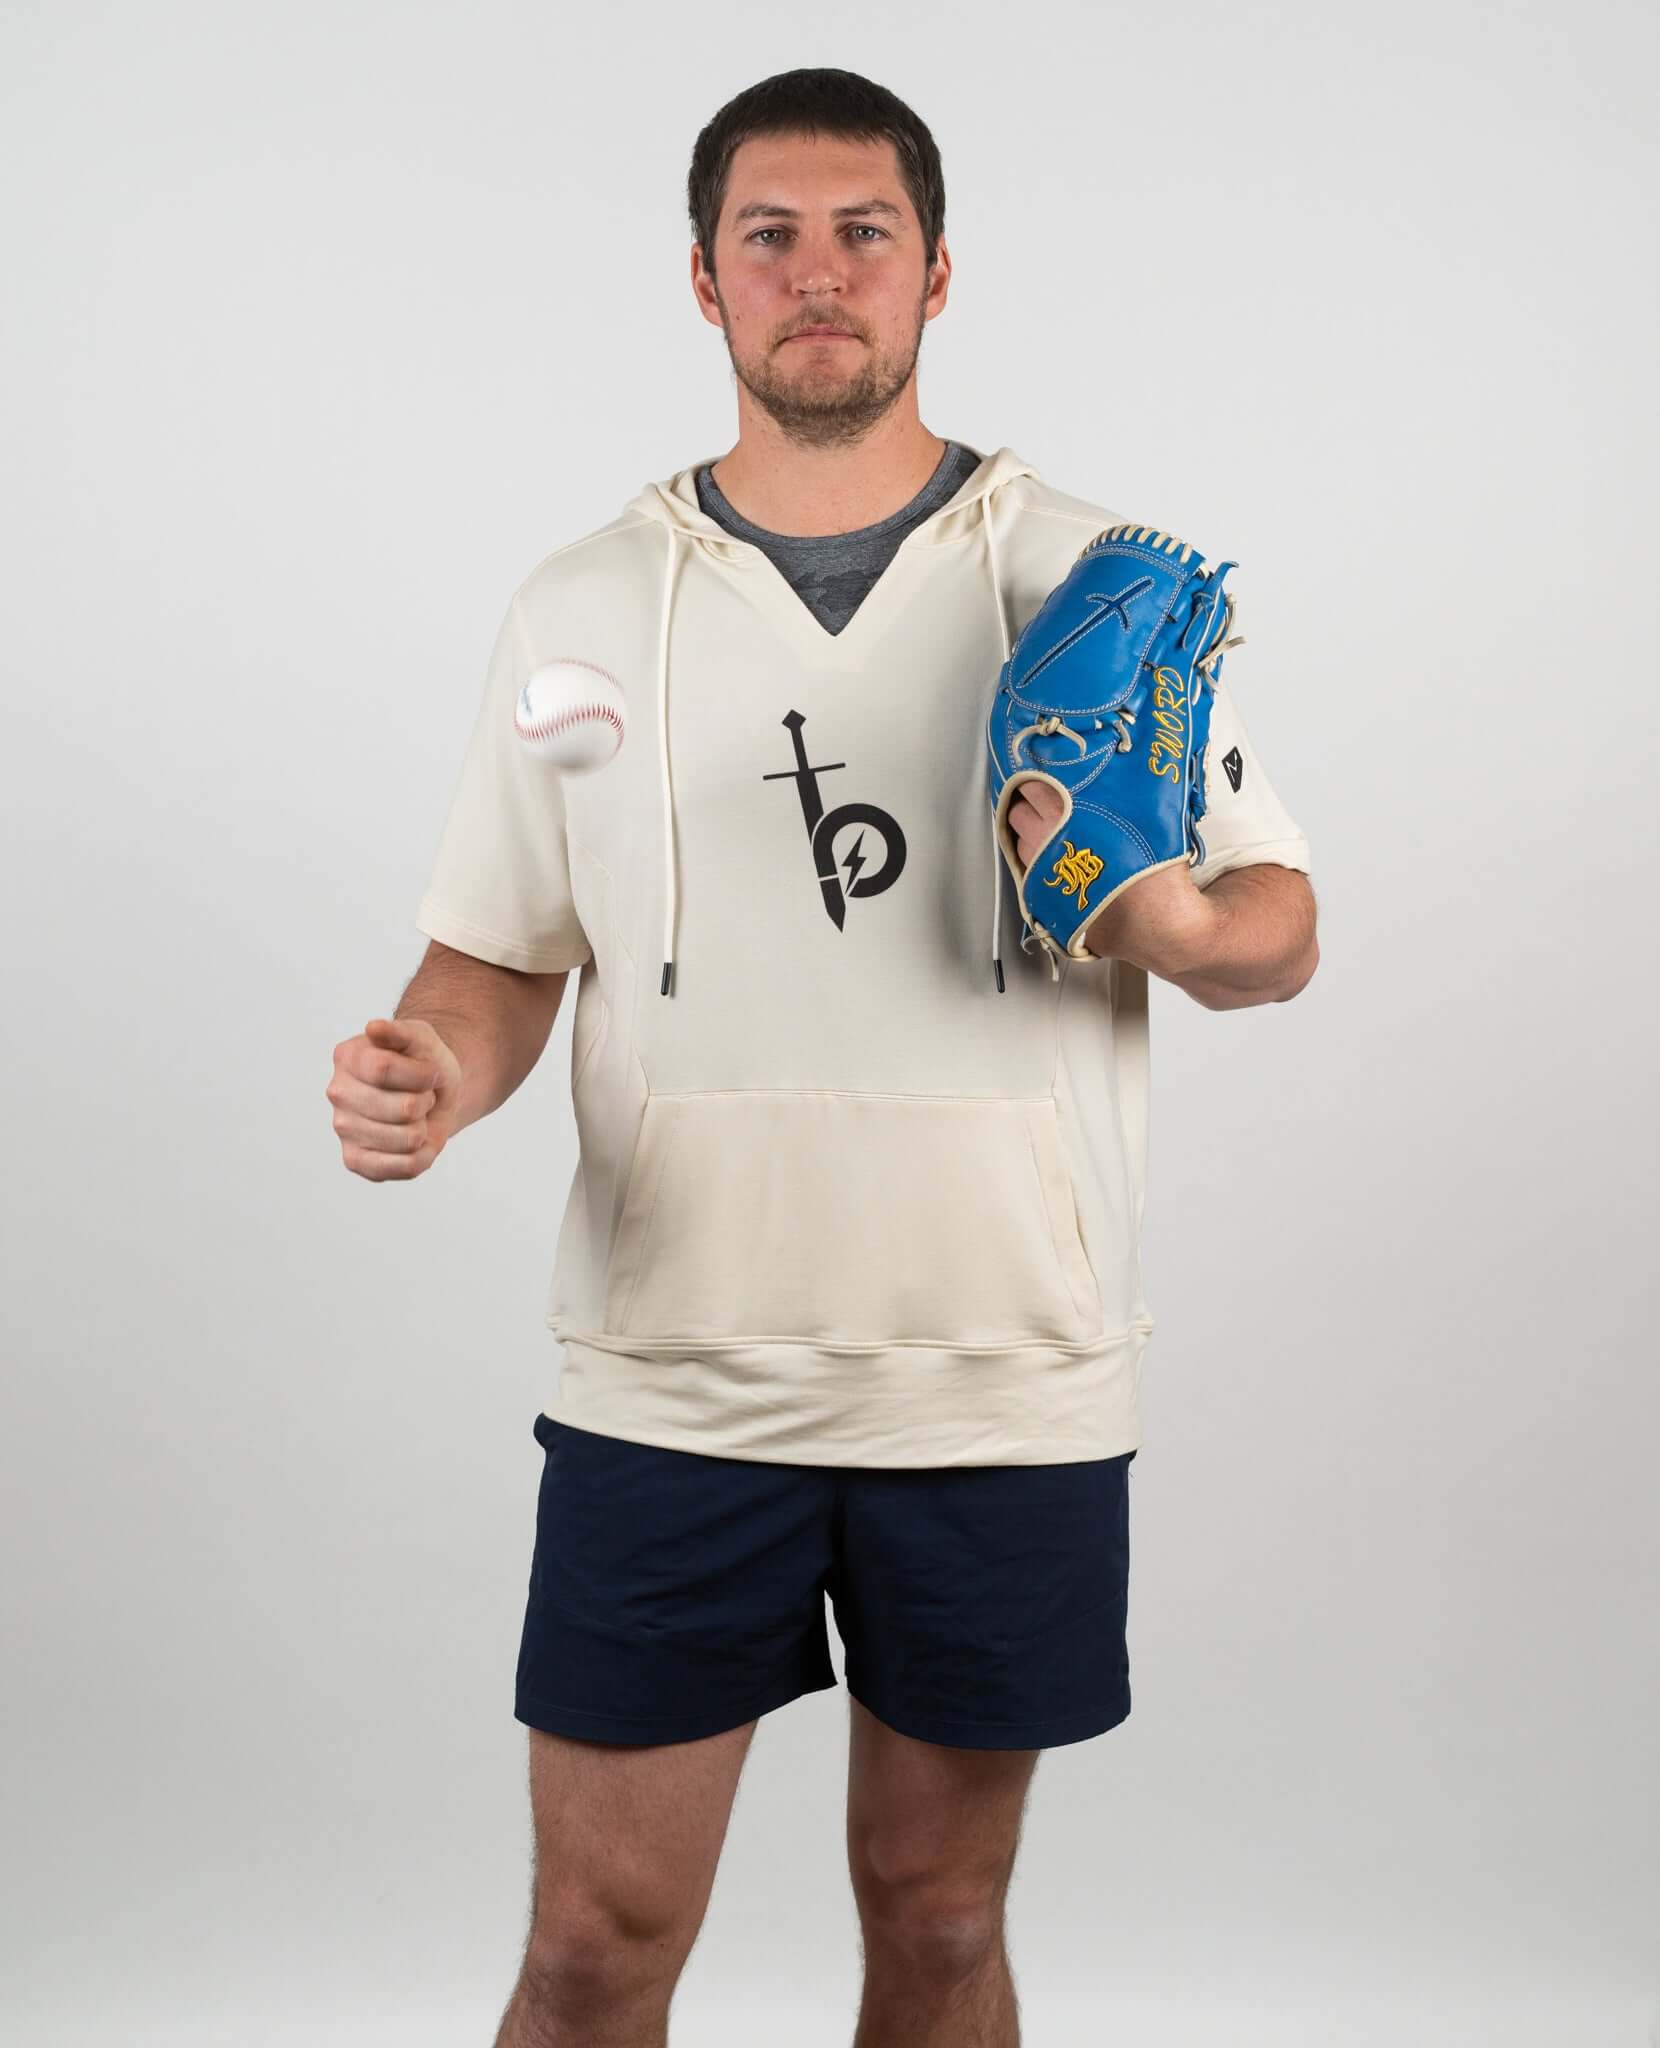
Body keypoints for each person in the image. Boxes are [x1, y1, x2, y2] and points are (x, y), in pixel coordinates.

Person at [327, 66, 1318, 2048]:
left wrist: (1181, 928)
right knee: (597, 1943)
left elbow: (1274, 919)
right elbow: (498, 956)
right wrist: (433, 1062)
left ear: (935, 273)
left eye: (861, 232)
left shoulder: (1081, 579)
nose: (816, 273)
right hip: (673, 1370)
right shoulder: (583, 602)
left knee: (939, 1923)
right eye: (766, 236)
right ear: (701, 280)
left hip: (999, 1371)